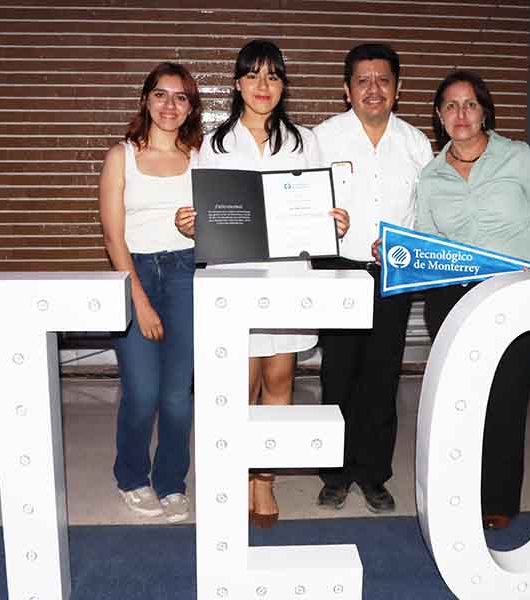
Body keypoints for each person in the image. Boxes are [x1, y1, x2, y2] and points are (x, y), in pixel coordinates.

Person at [174, 40, 349, 528]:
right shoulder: (213, 144)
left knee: (279, 379)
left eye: (273, 76)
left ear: (283, 85)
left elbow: (315, 206)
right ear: (236, 84)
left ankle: (264, 481)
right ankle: (233, 477)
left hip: (288, 276)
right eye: (253, 76)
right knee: (239, 385)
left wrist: (331, 219)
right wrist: (193, 224)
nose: (263, 86)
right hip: (235, 278)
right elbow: (208, 214)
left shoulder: (304, 140)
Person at [414, 69, 530, 529]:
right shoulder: (431, 174)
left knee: (506, 398)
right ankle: (456, 495)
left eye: (470, 104)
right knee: (461, 399)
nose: (461, 114)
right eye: (451, 106)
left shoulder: (518, 159)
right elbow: (424, 237)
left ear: (485, 112)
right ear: (440, 116)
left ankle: (498, 500)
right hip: (453, 299)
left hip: (515, 295)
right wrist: (399, 253)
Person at [312, 43, 433, 513]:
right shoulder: (322, 138)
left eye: (383, 79)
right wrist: (324, 222)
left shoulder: (416, 143)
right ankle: (335, 474)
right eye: (363, 80)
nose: (373, 89)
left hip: (393, 269)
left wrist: (409, 241)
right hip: (339, 269)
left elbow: (427, 211)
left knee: (383, 376)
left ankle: (374, 473)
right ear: (347, 89)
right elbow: (302, 203)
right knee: (337, 373)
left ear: (398, 89)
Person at [97, 62, 203, 523]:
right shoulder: (122, 155)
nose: (169, 105)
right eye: (161, 95)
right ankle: (132, 477)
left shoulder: (201, 159)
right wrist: (139, 301)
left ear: (190, 107)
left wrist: (198, 228)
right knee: (142, 392)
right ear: (146, 100)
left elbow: (219, 226)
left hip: (185, 273)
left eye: (180, 97)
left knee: (178, 394)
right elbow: (111, 237)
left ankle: (171, 482)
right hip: (133, 272)